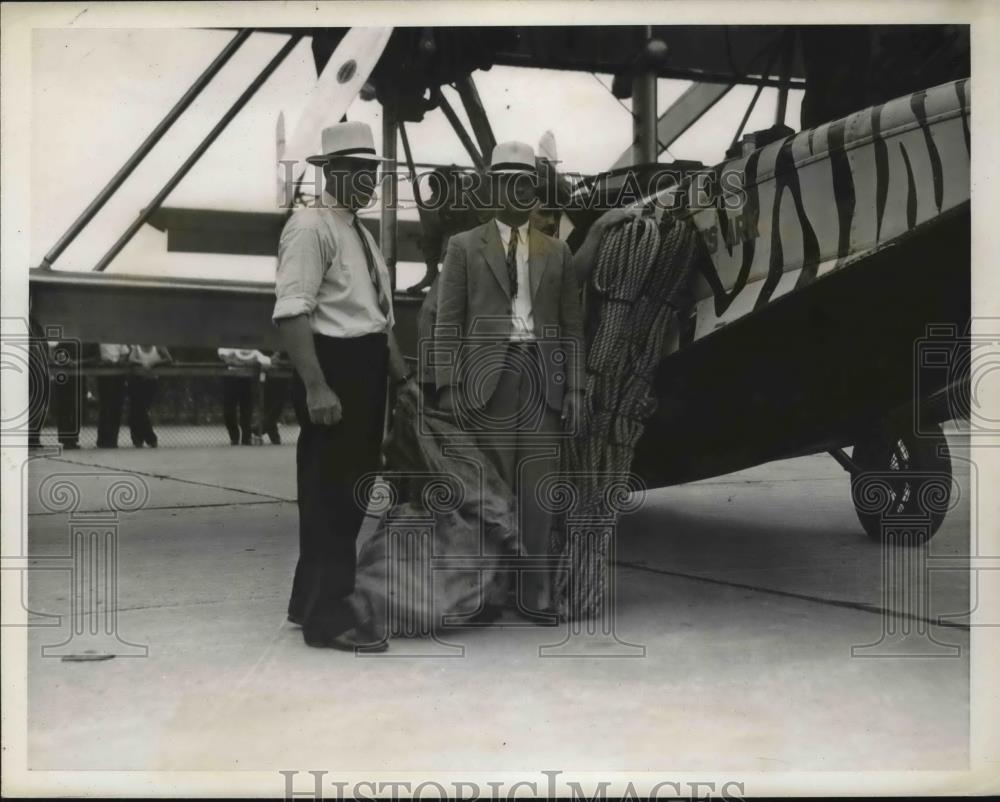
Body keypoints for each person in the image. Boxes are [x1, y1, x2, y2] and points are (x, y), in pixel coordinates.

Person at [273, 121, 415, 652]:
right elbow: (291, 313)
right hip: (333, 368)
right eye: (354, 171)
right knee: (332, 496)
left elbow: (377, 315)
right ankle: (328, 620)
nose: (366, 181)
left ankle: (306, 599)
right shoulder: (310, 227)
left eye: (371, 172)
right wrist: (316, 387)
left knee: (345, 494)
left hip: (366, 366)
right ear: (329, 171)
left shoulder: (357, 229)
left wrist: (397, 373)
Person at [435, 140, 585, 617]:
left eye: (524, 183)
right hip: (486, 383)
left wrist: (577, 387)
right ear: (492, 185)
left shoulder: (556, 252)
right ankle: (487, 592)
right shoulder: (463, 247)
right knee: (490, 489)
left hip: (543, 379)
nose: (515, 191)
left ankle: (534, 591)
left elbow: (571, 325)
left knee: (539, 487)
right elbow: (448, 322)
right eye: (506, 181)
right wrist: (447, 386)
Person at [217, 347, 270, 445]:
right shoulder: (231, 348)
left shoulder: (254, 352)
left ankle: (246, 438)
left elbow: (266, 361)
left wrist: (256, 363)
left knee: (246, 410)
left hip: (247, 381)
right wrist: (230, 358)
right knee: (228, 410)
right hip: (231, 379)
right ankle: (234, 437)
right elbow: (222, 353)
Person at [127, 345, 171, 448]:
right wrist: (142, 363)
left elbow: (169, 359)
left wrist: (154, 363)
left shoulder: (159, 346)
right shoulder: (137, 347)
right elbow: (131, 359)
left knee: (142, 410)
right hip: (137, 381)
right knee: (137, 410)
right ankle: (143, 438)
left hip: (151, 381)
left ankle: (146, 438)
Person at [95, 344, 130, 448]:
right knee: (105, 406)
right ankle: (102, 439)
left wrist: (119, 362)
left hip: (117, 372)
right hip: (104, 373)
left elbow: (124, 354)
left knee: (116, 406)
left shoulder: (118, 339)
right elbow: (95, 355)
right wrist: (102, 362)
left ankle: (112, 440)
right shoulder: (99, 340)